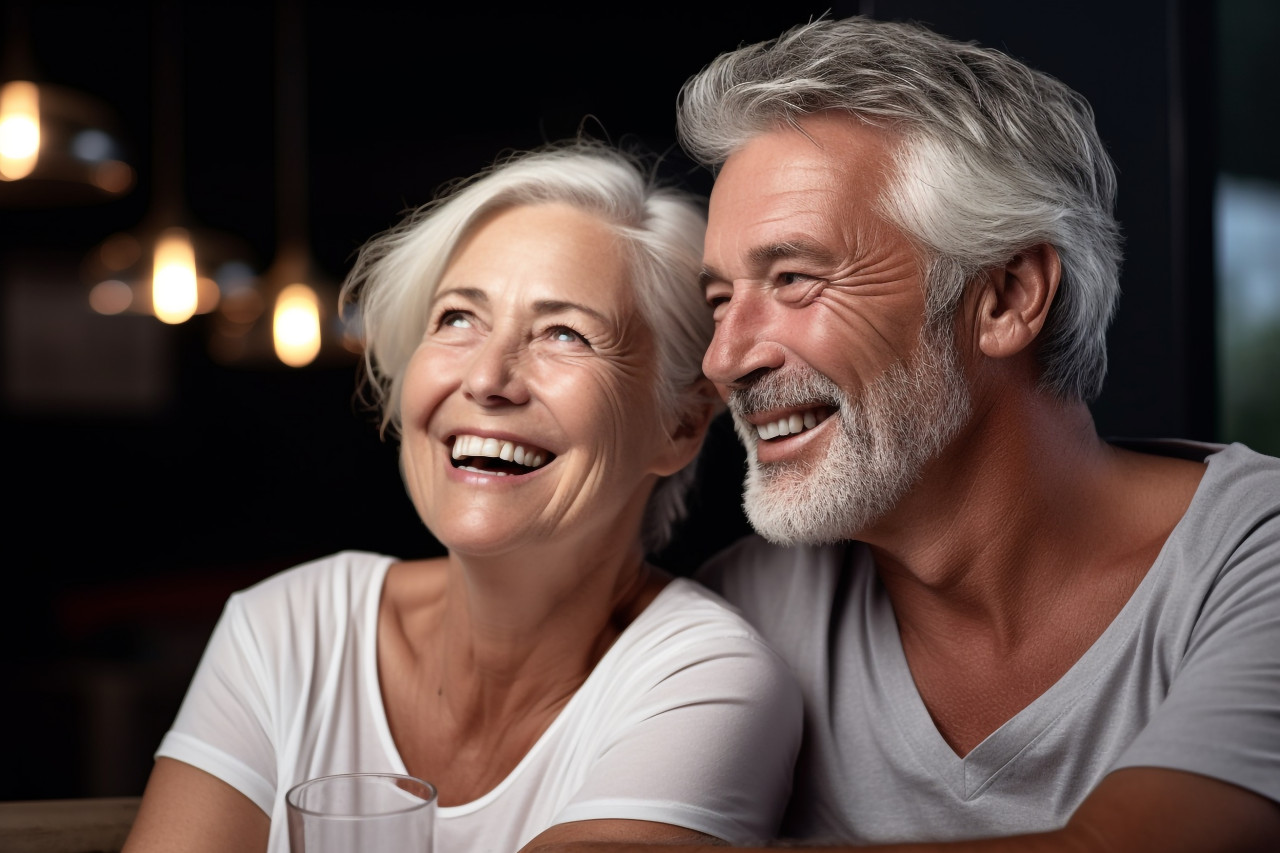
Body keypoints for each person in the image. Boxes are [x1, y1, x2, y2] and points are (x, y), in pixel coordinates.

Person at [530, 14, 1280, 853]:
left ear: (1005, 297)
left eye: (795, 279)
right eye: (719, 299)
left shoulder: (1256, 555)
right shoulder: (742, 614)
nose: (725, 357)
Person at [121, 139, 803, 853]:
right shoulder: (284, 631)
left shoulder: (706, 684)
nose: (487, 377)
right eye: (456, 319)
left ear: (682, 422)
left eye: (565, 332)